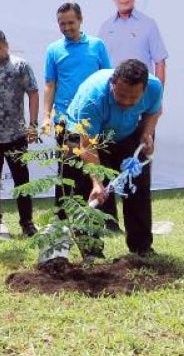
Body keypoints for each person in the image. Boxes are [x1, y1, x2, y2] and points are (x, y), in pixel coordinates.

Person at [66, 59, 163, 259]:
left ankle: (141, 247)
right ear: (113, 83)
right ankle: (91, 251)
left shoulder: (154, 87)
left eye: (133, 97)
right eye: (121, 95)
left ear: (144, 90)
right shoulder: (93, 98)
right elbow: (88, 145)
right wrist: (97, 183)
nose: (126, 102)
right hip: (85, 136)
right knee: (87, 190)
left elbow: (155, 111)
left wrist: (147, 133)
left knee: (137, 185)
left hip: (127, 132)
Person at [43, 1, 111, 218]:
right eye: (62, 24)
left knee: (98, 169)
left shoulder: (97, 45)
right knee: (68, 170)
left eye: (70, 22)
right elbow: (50, 85)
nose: (66, 28)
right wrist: (46, 116)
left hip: (95, 119)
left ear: (80, 20)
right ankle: (63, 218)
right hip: (66, 121)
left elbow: (108, 79)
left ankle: (102, 219)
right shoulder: (54, 50)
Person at [0, 29, 39, 238]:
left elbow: (33, 93)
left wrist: (33, 124)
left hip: (16, 134)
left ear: (6, 45)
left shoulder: (20, 66)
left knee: (22, 180)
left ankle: (27, 222)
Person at [97, 0, 169, 85]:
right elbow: (99, 67)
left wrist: (157, 94)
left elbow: (160, 62)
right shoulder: (105, 28)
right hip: (113, 93)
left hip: (142, 93)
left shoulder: (149, 24)